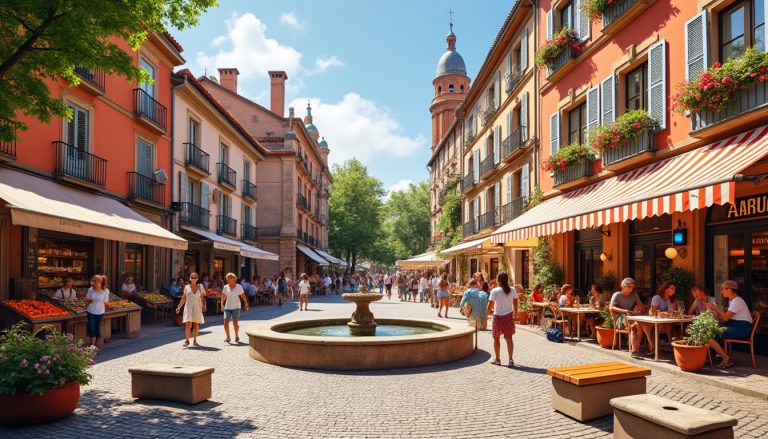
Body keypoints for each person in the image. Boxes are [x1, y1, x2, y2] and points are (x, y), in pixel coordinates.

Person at [707, 280, 754, 368]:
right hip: (738, 327)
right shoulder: (732, 301)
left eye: (722, 289)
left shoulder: (737, 301)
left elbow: (725, 318)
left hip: (741, 329)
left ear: (729, 290)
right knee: (714, 332)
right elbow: (726, 317)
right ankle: (719, 355)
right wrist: (717, 313)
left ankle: (726, 358)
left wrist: (716, 308)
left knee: (709, 335)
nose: (721, 291)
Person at [487, 272, 517, 367]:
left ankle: (497, 359)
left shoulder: (495, 291)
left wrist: (486, 314)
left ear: (498, 280)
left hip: (498, 317)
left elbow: (490, 305)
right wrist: (516, 312)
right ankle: (511, 360)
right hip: (508, 316)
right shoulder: (512, 290)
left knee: (496, 338)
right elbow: (515, 301)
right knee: (509, 339)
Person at [609, 277, 645, 354]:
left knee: (639, 326)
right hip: (620, 319)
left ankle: (635, 348)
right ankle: (635, 349)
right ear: (623, 286)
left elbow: (641, 306)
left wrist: (639, 308)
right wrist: (625, 311)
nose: (631, 288)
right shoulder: (617, 295)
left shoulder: (634, 295)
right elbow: (611, 307)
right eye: (629, 286)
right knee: (634, 326)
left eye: (632, 286)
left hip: (631, 317)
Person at [641, 281, 677, 351]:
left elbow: (672, 312)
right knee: (660, 326)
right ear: (666, 289)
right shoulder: (656, 297)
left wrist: (673, 307)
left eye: (674, 289)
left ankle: (673, 347)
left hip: (665, 320)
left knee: (671, 325)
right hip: (654, 320)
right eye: (672, 288)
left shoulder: (670, 299)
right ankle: (654, 347)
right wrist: (666, 313)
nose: (674, 290)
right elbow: (654, 312)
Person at [176, 272, 206, 347]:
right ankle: (187, 340)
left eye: (195, 277)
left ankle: (195, 340)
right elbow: (183, 298)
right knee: (188, 324)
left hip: (197, 307)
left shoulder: (200, 286)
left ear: (197, 279)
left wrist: (204, 305)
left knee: (196, 324)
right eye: (192, 277)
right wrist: (179, 307)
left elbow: (203, 297)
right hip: (188, 307)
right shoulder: (186, 287)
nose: (193, 279)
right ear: (190, 278)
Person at [221, 272, 249, 343]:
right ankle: (228, 337)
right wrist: (222, 304)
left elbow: (243, 295)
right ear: (227, 279)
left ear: (234, 279)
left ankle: (236, 335)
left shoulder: (239, 287)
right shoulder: (225, 287)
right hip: (227, 307)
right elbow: (223, 296)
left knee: (235, 322)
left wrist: (246, 303)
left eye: (231, 277)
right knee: (225, 322)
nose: (230, 279)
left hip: (236, 307)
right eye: (228, 278)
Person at [85, 275, 110, 347]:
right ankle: (92, 346)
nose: (94, 283)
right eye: (93, 281)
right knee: (91, 328)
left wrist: (108, 306)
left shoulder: (105, 291)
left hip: (100, 311)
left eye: (95, 282)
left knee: (97, 328)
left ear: (100, 282)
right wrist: (86, 308)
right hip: (90, 311)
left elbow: (106, 302)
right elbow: (87, 299)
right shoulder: (90, 289)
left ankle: (96, 346)